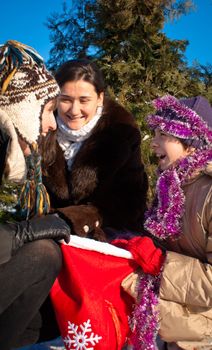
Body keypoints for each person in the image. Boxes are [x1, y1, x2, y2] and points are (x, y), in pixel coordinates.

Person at [124, 95, 212, 350]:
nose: (154, 143)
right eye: (156, 133)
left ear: (192, 143)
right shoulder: (170, 187)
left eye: (164, 134)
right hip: (175, 328)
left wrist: (161, 264)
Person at [0, 40, 71, 350]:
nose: (52, 123)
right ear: (24, 106)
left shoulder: (26, 162)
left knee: (47, 258)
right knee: (43, 253)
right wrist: (22, 233)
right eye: (47, 111)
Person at [41, 59, 149, 241]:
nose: (74, 110)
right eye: (65, 99)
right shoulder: (41, 128)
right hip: (47, 232)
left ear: (99, 98)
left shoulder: (121, 131)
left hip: (110, 233)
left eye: (84, 100)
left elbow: (132, 200)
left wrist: (78, 218)